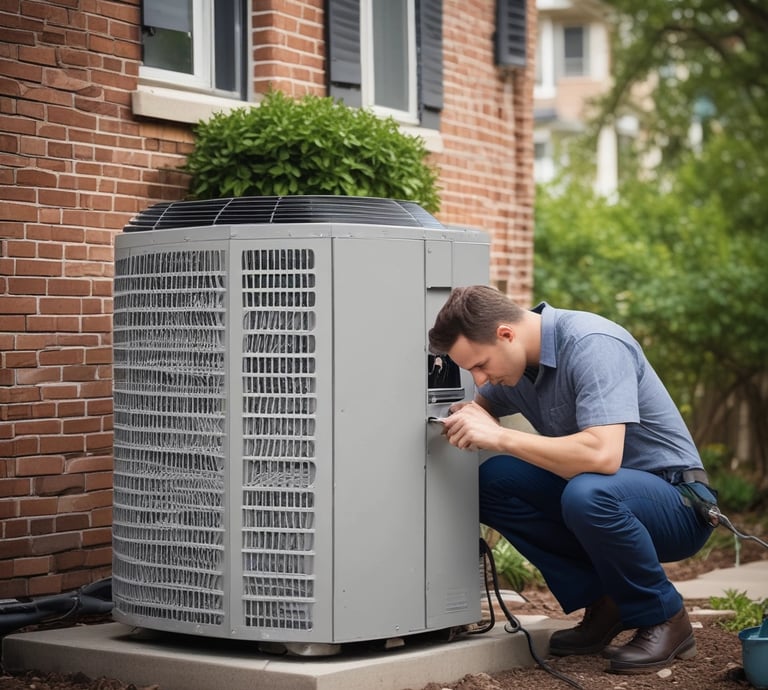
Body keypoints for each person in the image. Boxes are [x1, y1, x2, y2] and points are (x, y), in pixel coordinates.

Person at [428, 285, 717, 675]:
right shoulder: (516, 368)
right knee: (492, 482)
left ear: (506, 334)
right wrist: (469, 418)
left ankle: (666, 618)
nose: (480, 381)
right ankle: (607, 600)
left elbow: (602, 455)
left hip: (678, 502)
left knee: (588, 492)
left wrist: (500, 436)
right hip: (605, 496)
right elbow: (479, 411)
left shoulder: (592, 344)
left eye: (480, 365)